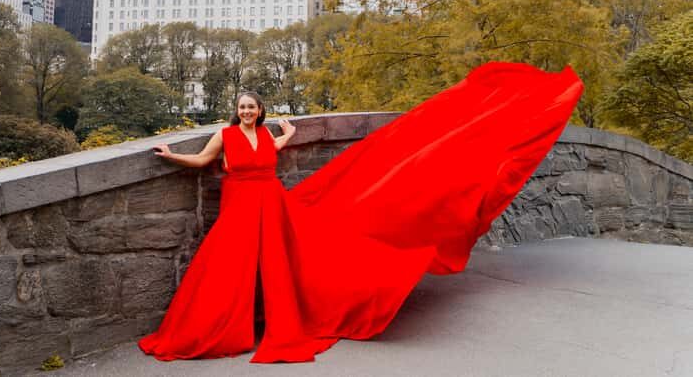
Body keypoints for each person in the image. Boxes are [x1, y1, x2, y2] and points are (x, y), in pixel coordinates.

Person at [138, 62, 584, 363]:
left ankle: (275, 321)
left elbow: (282, 142)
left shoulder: (268, 137)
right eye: (242, 108)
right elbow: (201, 163)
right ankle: (223, 329)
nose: (247, 111)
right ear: (235, 112)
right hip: (239, 209)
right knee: (226, 267)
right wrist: (170, 155)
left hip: (270, 206)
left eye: (252, 107)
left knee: (281, 266)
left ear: (262, 111)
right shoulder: (226, 135)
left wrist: (290, 129)